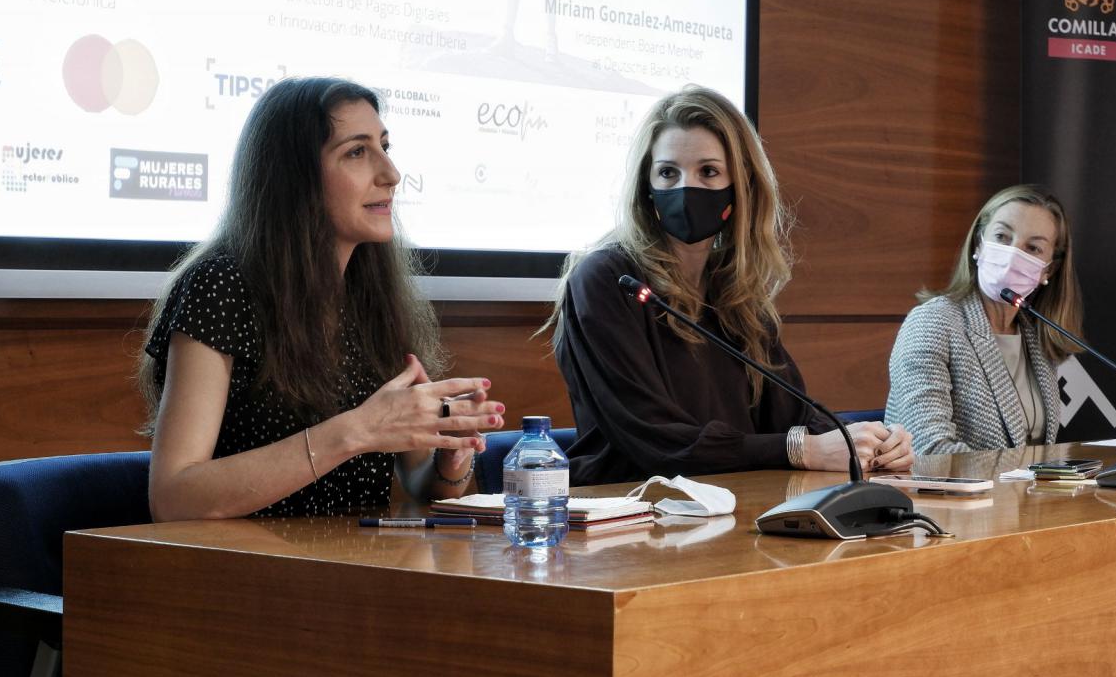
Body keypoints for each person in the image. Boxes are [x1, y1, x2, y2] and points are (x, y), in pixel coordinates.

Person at [138, 77, 505, 521]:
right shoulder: (220, 286)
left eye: (385, 146)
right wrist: (358, 430)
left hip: (356, 569)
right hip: (242, 571)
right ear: (295, 177)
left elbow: (417, 490)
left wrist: (450, 459)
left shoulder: (373, 295)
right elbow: (173, 500)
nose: (390, 173)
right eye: (356, 151)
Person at [543, 86, 914, 486]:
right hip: (629, 512)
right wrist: (800, 450)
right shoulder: (608, 280)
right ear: (646, 186)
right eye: (669, 172)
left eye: (709, 172)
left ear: (741, 187)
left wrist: (869, 443)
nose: (687, 189)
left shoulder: (733, 291)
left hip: (730, 503)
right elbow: (654, 439)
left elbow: (794, 412)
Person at [885, 184, 1084, 454]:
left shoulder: (1034, 336)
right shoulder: (933, 322)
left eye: (1033, 248)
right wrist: (1019, 477)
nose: (1014, 254)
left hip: (1027, 496)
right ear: (979, 244)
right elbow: (928, 448)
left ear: (1049, 268)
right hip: (949, 495)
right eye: (1002, 236)